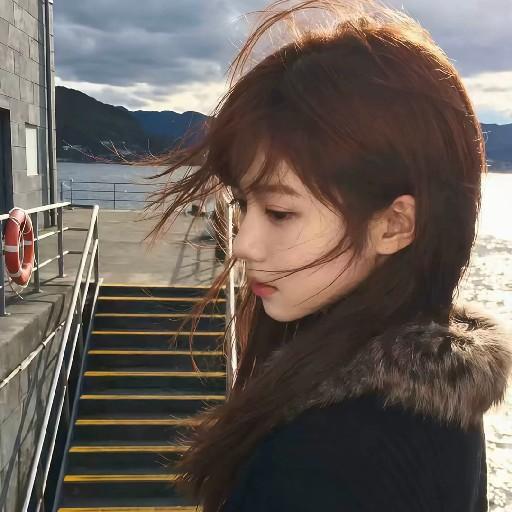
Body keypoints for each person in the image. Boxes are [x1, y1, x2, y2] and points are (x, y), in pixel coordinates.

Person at [138, 0, 512, 510]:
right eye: (243, 204)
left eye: (279, 212)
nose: (243, 243)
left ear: (395, 224)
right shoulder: (435, 399)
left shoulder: (339, 451)